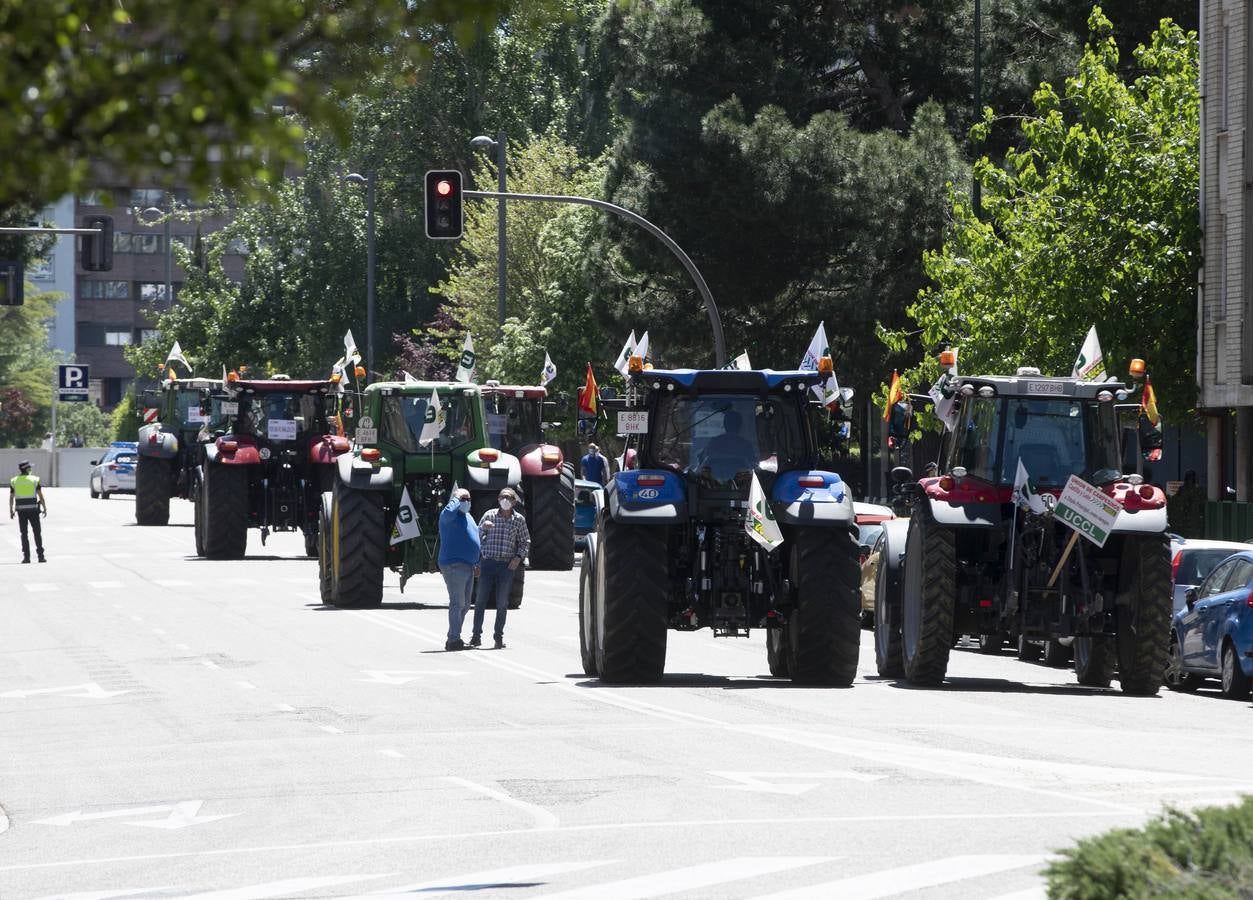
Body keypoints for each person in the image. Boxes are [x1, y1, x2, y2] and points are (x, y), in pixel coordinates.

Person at [471, 487, 530, 649]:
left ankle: (498, 637)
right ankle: (476, 635)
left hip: (506, 566)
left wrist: (518, 558)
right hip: (488, 563)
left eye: (509, 497)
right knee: (480, 601)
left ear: (514, 501)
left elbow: (525, 541)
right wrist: (483, 530)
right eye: (502, 497)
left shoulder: (519, 520)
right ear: (498, 499)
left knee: (502, 603)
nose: (505, 500)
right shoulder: (489, 515)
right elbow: (476, 536)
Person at [438, 487, 480, 651]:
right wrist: (456, 497)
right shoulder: (448, 516)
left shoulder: (468, 517)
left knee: (465, 604)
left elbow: (475, 539)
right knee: (458, 603)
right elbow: (448, 511)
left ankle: (455, 636)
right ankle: (453, 639)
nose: (466, 502)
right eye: (463, 499)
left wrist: (477, 562)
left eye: (468, 499)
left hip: (469, 565)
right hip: (453, 564)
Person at [9, 460, 47, 563]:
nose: (31, 469)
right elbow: (40, 495)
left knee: (24, 534)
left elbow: (11, 497)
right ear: (26, 468)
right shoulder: (34, 479)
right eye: (29, 467)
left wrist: (11, 510)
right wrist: (44, 507)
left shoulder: (14, 480)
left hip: (21, 511)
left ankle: (26, 557)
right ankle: (41, 557)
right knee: (37, 533)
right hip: (33, 510)